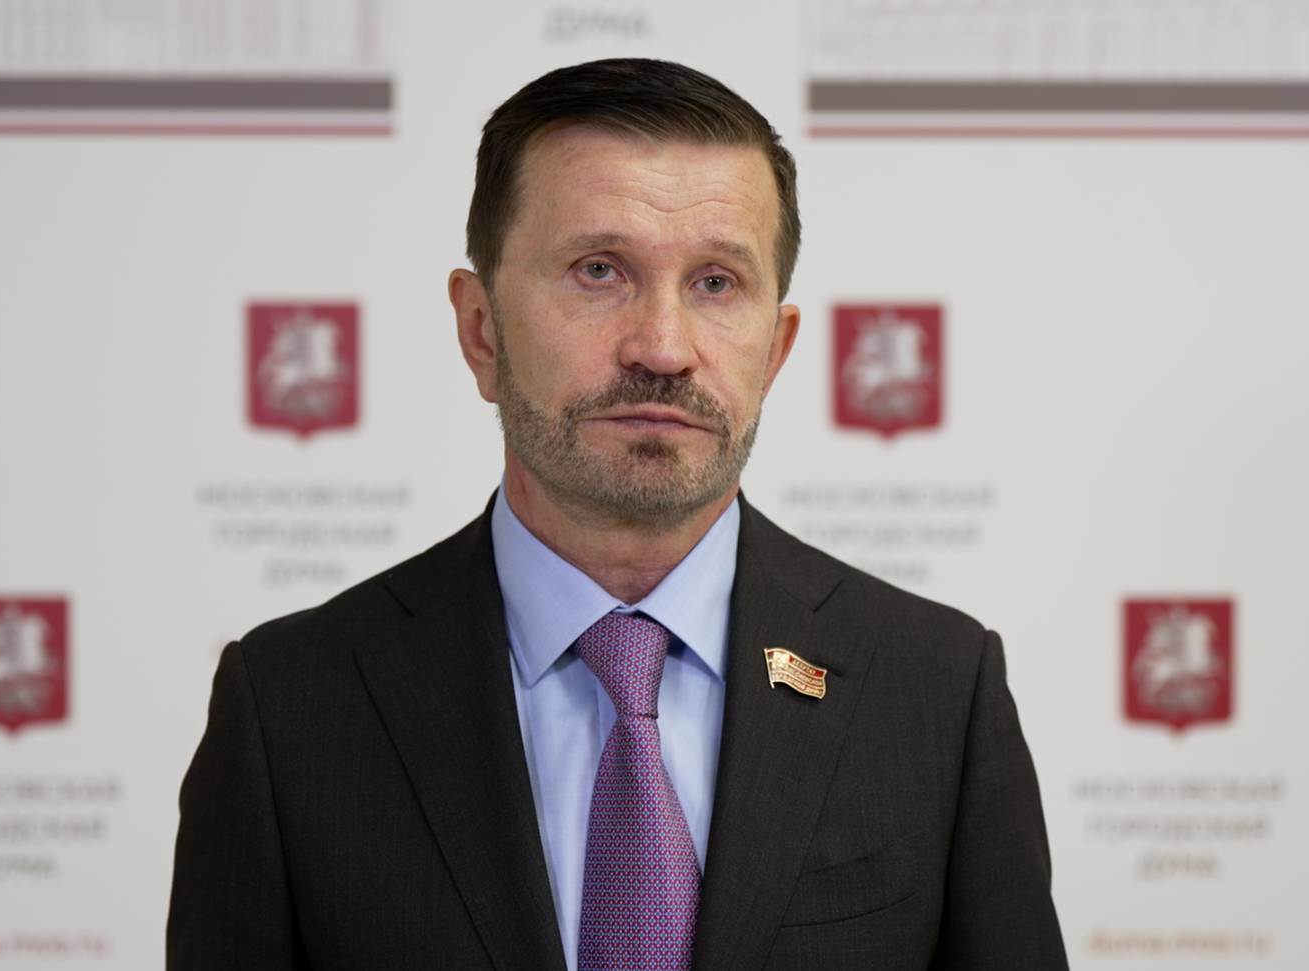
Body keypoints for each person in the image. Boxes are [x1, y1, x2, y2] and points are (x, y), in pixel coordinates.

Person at [168, 58, 1068, 970]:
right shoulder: (289, 707)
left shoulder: (935, 691)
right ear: (481, 330)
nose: (663, 348)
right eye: (598, 271)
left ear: (775, 349)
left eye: (716, 282)